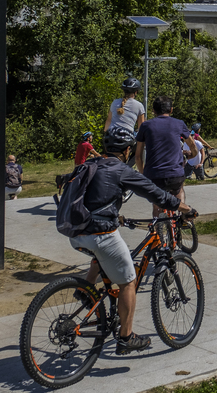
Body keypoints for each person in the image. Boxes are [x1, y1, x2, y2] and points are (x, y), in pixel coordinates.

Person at [69, 126, 185, 355]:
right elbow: (155, 193)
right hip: (100, 233)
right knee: (128, 281)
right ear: (128, 150)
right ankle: (126, 338)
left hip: (75, 232)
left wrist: (115, 215)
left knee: (106, 256)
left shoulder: (91, 164)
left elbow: (95, 197)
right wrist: (184, 207)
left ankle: (86, 290)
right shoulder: (121, 169)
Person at [134, 97, 195, 214]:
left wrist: (143, 174)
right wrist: (194, 154)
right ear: (171, 110)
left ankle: (157, 228)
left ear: (154, 111)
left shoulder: (145, 126)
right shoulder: (179, 123)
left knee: (157, 204)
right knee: (179, 190)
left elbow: (138, 156)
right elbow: (192, 145)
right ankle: (182, 216)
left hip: (153, 175)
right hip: (175, 174)